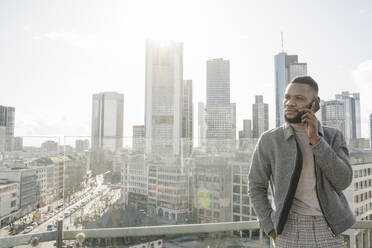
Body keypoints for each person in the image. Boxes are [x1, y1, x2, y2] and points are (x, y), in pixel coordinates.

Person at [248, 76, 355, 247]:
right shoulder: (270, 139)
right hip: (288, 230)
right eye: (287, 97)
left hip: (330, 229)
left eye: (299, 98)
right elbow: (256, 186)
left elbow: (343, 181)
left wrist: (316, 141)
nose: (290, 103)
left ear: (315, 102)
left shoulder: (333, 136)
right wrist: (270, 227)